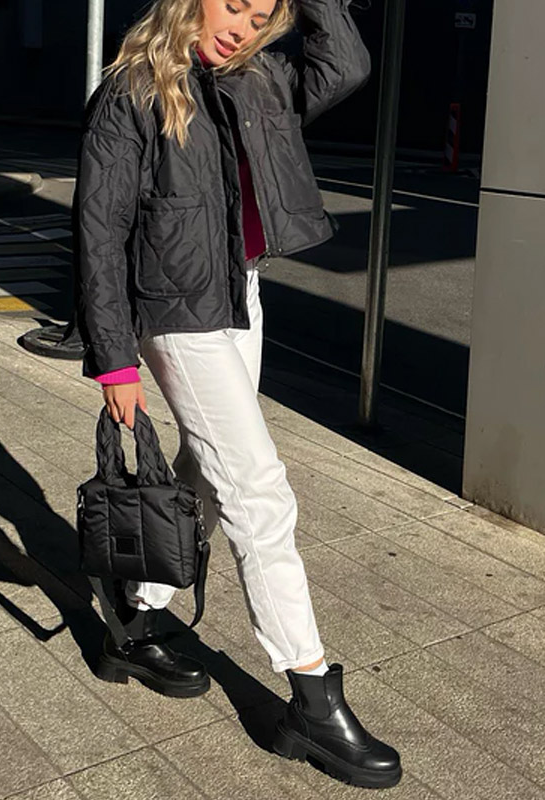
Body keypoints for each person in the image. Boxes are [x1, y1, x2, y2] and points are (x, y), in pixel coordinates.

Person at [73, 0, 401, 788]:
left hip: (238, 293)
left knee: (208, 466)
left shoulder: (258, 79)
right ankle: (312, 698)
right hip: (174, 311)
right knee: (258, 492)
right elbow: (99, 230)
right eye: (234, 5)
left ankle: (135, 614)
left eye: (261, 16)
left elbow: (347, 64)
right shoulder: (132, 91)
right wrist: (115, 362)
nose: (243, 26)